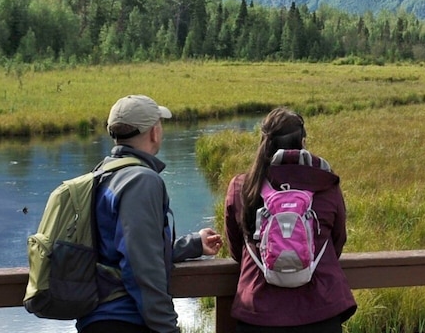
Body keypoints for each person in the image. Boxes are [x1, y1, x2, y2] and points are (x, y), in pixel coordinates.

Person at [81, 95, 226, 333]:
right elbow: (142, 265)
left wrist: (193, 245)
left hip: (98, 318)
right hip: (127, 320)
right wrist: (167, 327)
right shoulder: (141, 181)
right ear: (153, 133)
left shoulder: (102, 174)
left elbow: (122, 248)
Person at [223, 108, 356, 332]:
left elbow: (237, 250)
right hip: (320, 310)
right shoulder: (325, 184)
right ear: (303, 141)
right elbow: (337, 242)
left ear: (264, 142)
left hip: (258, 312)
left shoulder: (241, 187)